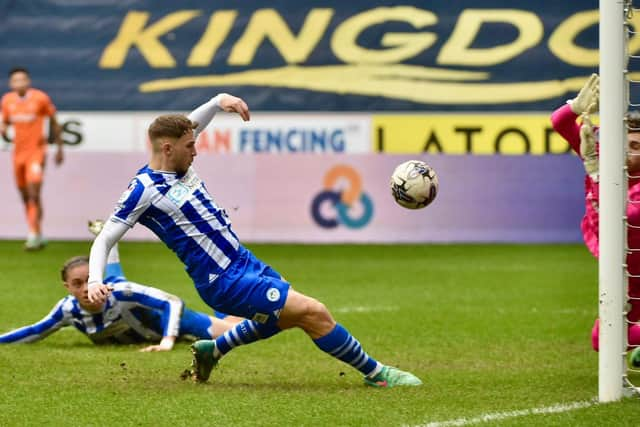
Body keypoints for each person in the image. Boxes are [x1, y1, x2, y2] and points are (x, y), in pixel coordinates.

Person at [87, 93, 422, 387]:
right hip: (223, 281)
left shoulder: (179, 161)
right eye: (191, 146)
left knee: (284, 317)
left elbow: (193, 123)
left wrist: (219, 101)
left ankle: (213, 349)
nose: (196, 151)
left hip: (243, 261)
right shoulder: (143, 190)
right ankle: (377, 373)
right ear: (167, 147)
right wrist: (94, 280)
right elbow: (104, 238)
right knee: (313, 312)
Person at [0, 220, 241, 350]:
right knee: (116, 282)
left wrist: (167, 339)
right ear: (67, 288)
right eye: (77, 284)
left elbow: (172, 301)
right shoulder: (67, 309)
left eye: (88, 280)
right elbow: (35, 331)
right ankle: (106, 238)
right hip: (119, 294)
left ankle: (230, 299)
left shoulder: (120, 293)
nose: (85, 288)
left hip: (169, 319)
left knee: (235, 330)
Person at [550, 73, 640, 364]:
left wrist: (596, 172)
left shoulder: (602, 166)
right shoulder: (601, 155)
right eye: (627, 143)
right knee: (601, 340)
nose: (628, 151)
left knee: (614, 335)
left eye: (637, 146)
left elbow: (624, 217)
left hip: (635, 264)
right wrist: (576, 108)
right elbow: (560, 123)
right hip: (623, 270)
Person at [0, 67, 64, 250]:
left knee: (34, 193)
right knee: (25, 196)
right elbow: (5, 123)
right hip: (17, 154)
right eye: (15, 80)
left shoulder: (40, 98)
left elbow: (54, 122)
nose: (19, 83)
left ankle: (33, 235)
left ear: (28, 81)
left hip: (36, 152)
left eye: (22, 79)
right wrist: (3, 131)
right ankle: (38, 232)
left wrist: (60, 149)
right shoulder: (7, 100)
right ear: (11, 84)